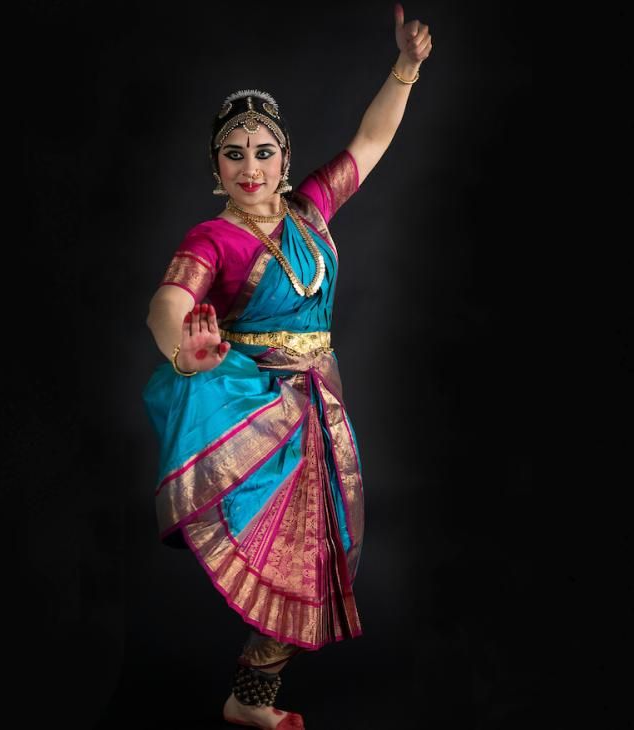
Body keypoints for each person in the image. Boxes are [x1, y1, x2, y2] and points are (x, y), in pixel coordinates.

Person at [143, 4, 432, 728]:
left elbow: (371, 139)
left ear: (285, 156)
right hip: (258, 414)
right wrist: (184, 347)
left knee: (327, 553)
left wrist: (405, 68)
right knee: (284, 561)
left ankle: (250, 699)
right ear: (215, 167)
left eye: (263, 150)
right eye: (233, 153)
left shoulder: (312, 209)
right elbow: (167, 303)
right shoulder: (213, 237)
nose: (250, 166)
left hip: (320, 409)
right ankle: (249, 703)